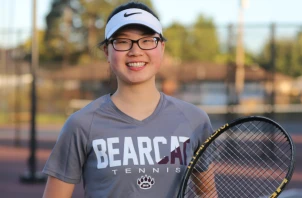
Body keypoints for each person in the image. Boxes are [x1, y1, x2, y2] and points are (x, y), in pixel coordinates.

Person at [42, 2, 215, 198]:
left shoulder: (195, 120)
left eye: (147, 40)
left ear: (162, 48)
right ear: (107, 51)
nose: (135, 51)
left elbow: (208, 194)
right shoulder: (81, 124)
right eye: (123, 42)